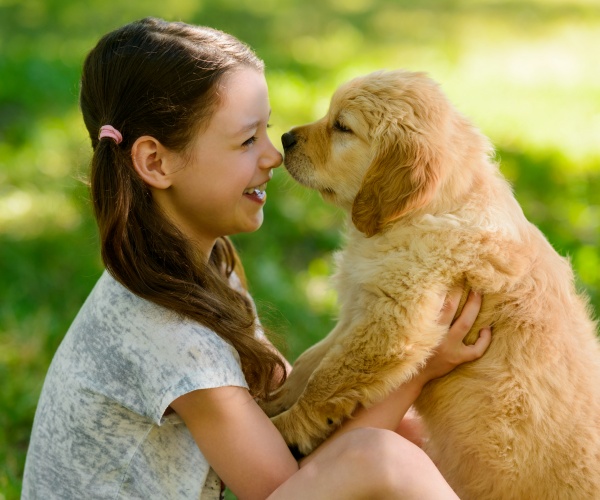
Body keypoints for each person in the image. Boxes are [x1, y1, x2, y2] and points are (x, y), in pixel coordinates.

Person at [22, 17, 492, 499]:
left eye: (265, 131)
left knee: (407, 435)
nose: (273, 155)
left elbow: (287, 406)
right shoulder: (168, 335)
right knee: (379, 456)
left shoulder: (203, 268)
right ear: (155, 163)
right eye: (248, 140)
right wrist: (417, 369)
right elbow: (292, 481)